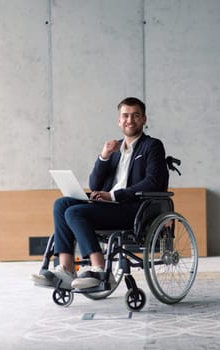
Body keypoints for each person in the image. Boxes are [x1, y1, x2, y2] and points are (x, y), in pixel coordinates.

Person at [31, 97, 169, 290]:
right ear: (119, 120)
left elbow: (152, 182)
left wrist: (113, 196)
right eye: (125, 116)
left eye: (135, 115)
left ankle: (100, 269)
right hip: (108, 206)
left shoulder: (152, 146)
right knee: (61, 204)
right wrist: (103, 157)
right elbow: (95, 184)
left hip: (134, 209)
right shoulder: (115, 148)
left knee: (74, 213)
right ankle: (66, 268)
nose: (130, 120)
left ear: (144, 119)